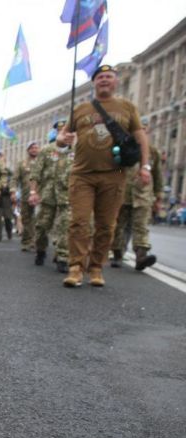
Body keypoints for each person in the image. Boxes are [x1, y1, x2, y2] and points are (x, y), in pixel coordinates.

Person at [58, 64, 150, 287]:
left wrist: (145, 167)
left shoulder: (127, 107)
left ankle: (96, 267)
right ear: (94, 83)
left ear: (115, 81)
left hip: (115, 174)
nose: (105, 80)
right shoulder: (80, 109)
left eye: (109, 77)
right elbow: (62, 137)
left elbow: (141, 138)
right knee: (79, 222)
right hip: (82, 174)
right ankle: (76, 267)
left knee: (106, 225)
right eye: (100, 77)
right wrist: (63, 140)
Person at [110, 117, 163, 271]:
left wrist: (158, 198)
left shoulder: (153, 152)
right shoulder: (123, 148)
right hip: (124, 195)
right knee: (120, 226)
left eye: (145, 129)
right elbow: (116, 169)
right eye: (140, 129)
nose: (143, 132)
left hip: (144, 195)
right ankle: (118, 254)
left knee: (141, 226)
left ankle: (141, 256)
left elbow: (158, 175)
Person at [28, 120, 73, 273]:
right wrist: (33, 192)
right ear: (56, 133)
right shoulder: (47, 150)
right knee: (42, 227)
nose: (65, 134)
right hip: (47, 195)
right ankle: (41, 250)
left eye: (67, 131)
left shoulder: (76, 151)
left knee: (65, 227)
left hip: (67, 196)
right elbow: (36, 173)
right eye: (61, 131)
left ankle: (62, 257)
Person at [13, 141, 40, 252]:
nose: (34, 150)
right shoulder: (22, 164)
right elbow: (15, 179)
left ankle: (36, 241)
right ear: (28, 150)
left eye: (36, 148)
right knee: (26, 219)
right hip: (25, 195)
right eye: (32, 148)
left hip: (40, 195)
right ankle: (26, 241)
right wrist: (13, 191)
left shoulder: (42, 162)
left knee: (39, 219)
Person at [0, 152, 15, 242]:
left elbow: (12, 181)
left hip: (6, 196)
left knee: (7, 218)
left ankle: (9, 232)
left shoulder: (8, 171)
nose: (0, 160)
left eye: (2, 158)